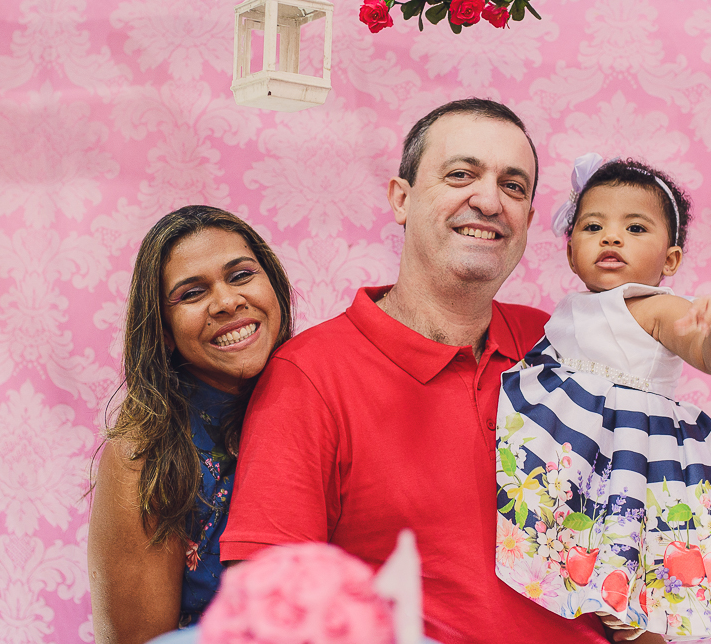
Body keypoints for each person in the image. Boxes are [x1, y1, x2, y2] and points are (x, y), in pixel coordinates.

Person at [223, 99, 653, 644]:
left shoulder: (564, 346)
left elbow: (640, 548)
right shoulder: (309, 376)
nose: (489, 200)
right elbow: (269, 608)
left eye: (514, 186)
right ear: (401, 199)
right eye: (460, 175)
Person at [495, 156, 711, 639]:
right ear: (569, 250)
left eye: (636, 227)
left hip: (629, 462)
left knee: (633, 602)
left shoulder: (656, 307)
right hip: (575, 457)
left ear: (670, 260)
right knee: (576, 564)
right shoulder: (573, 309)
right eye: (593, 225)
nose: (611, 237)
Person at [89, 206, 294, 644]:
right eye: (192, 293)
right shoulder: (144, 455)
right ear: (163, 330)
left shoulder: (324, 398)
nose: (226, 302)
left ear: (274, 288)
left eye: (240, 275)